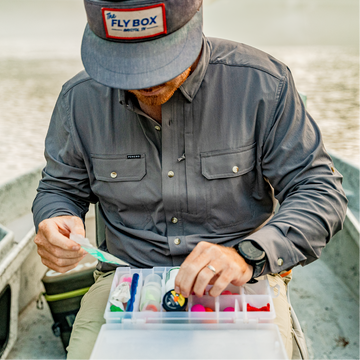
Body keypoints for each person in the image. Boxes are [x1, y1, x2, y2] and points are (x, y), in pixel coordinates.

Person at [32, 0, 347, 359]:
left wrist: (249, 255)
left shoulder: (264, 84)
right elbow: (58, 189)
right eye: (128, 68)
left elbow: (320, 191)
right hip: (124, 284)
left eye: (159, 61)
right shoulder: (79, 100)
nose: (146, 81)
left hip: (244, 282)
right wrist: (55, 218)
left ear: (195, 26)